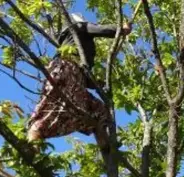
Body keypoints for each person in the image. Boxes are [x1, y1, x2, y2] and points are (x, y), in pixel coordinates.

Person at [27, 13, 132, 144]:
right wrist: (122, 29)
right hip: (66, 69)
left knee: (99, 110)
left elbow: (82, 75)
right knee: (50, 109)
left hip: (75, 77)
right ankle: (32, 143)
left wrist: (97, 83)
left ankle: (105, 143)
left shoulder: (75, 41)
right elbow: (102, 29)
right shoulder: (78, 27)